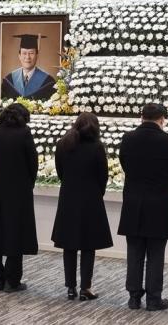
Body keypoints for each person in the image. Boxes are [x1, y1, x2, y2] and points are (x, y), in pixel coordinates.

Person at [118, 103, 168, 311]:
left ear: (141, 117)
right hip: (159, 202)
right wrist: (160, 183)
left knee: (134, 251)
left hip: (133, 201)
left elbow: (124, 164)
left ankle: (134, 297)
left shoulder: (128, 138)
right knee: (156, 253)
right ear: (162, 119)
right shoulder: (167, 140)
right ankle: (154, 299)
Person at [51, 112, 113, 301]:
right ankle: (86, 287)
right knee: (88, 246)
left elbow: (60, 171)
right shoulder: (97, 147)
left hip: (68, 198)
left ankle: (70, 287)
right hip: (91, 199)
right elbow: (103, 175)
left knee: (68, 245)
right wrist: (97, 192)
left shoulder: (63, 144)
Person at [0, 103, 38, 293]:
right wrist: (29, 183)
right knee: (16, 233)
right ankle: (12, 280)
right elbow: (33, 163)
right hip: (19, 190)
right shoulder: (24, 134)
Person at [1, 34, 56, 100]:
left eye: (31, 53)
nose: (27, 57)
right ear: (19, 56)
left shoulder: (48, 82)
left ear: (37, 55)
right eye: (24, 53)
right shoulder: (9, 80)